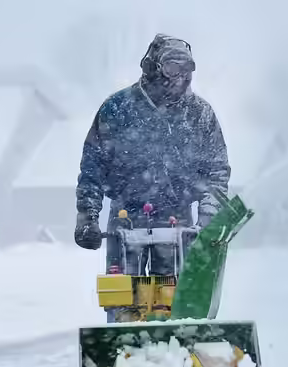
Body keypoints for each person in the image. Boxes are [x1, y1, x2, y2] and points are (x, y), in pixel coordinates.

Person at [74, 34, 230, 278]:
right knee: (123, 298)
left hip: (179, 223)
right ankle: (124, 316)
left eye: (187, 68)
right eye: (172, 67)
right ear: (153, 68)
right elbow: (93, 167)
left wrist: (208, 216)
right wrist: (87, 217)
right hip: (125, 221)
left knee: (174, 301)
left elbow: (216, 171)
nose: (181, 76)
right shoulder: (117, 109)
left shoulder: (199, 114)